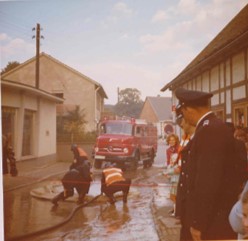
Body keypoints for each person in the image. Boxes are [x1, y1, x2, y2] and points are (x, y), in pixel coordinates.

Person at [175, 87, 246, 240]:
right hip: (211, 218)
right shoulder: (210, 127)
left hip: (211, 222)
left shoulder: (209, 130)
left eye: (183, 113)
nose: (184, 118)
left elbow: (207, 181)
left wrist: (198, 223)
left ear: (188, 110)